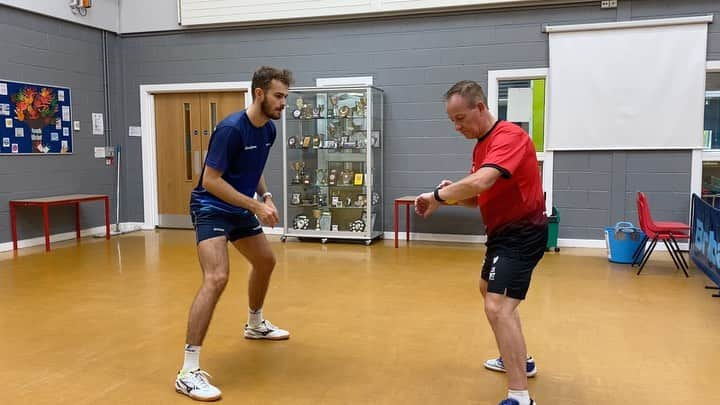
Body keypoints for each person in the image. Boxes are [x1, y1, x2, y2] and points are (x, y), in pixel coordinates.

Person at [414, 80, 547, 405]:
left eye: (460, 118)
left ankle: (520, 395)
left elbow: (483, 179)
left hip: (523, 232)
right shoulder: (480, 145)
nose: (456, 126)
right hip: (501, 234)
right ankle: (518, 358)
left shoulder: (509, 137)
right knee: (489, 292)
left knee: (498, 305)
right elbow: (478, 196)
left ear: (481, 108)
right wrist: (451, 195)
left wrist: (436, 195)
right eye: (452, 121)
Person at [174, 66, 293, 401]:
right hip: (211, 207)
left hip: (240, 207)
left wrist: (265, 196)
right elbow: (211, 180)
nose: (283, 103)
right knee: (217, 278)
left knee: (266, 262)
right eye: (278, 96)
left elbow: (254, 170)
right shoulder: (231, 129)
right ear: (259, 94)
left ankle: (254, 324)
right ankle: (188, 370)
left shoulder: (268, 130)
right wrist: (256, 207)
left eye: (285, 97)